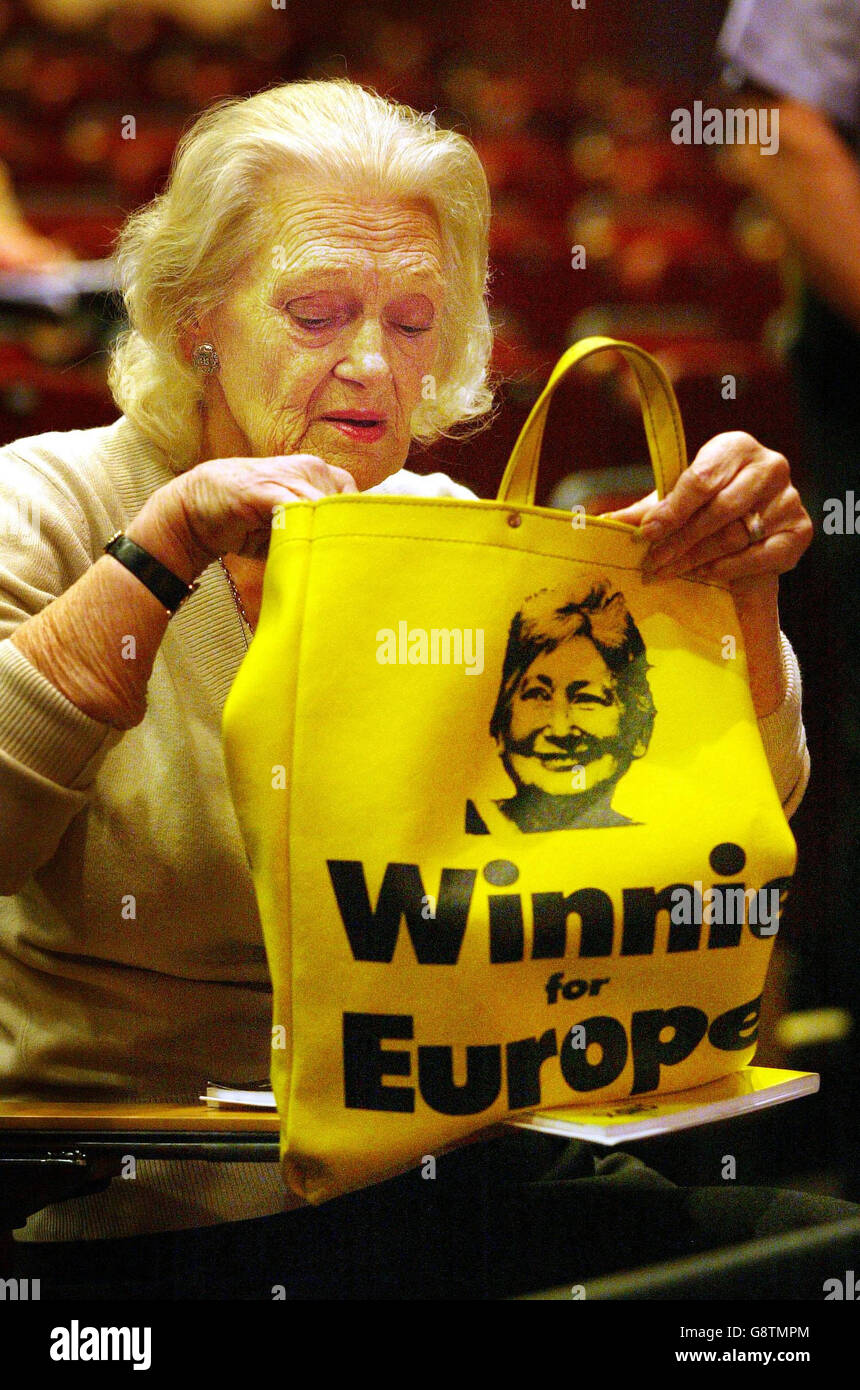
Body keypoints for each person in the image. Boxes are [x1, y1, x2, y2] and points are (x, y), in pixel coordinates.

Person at [0, 79, 839, 1300]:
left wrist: (739, 596)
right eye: (317, 311)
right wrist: (161, 552)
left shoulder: (436, 531)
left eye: (409, 323)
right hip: (169, 1209)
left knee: (809, 1271)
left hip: (455, 1174)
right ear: (195, 318)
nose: (367, 366)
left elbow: (718, 841)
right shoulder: (48, 502)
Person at [466, 578, 656, 833]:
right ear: (500, 725)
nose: (560, 730)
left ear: (641, 731)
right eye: (538, 695)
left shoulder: (667, 847)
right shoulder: (445, 827)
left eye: (587, 699)